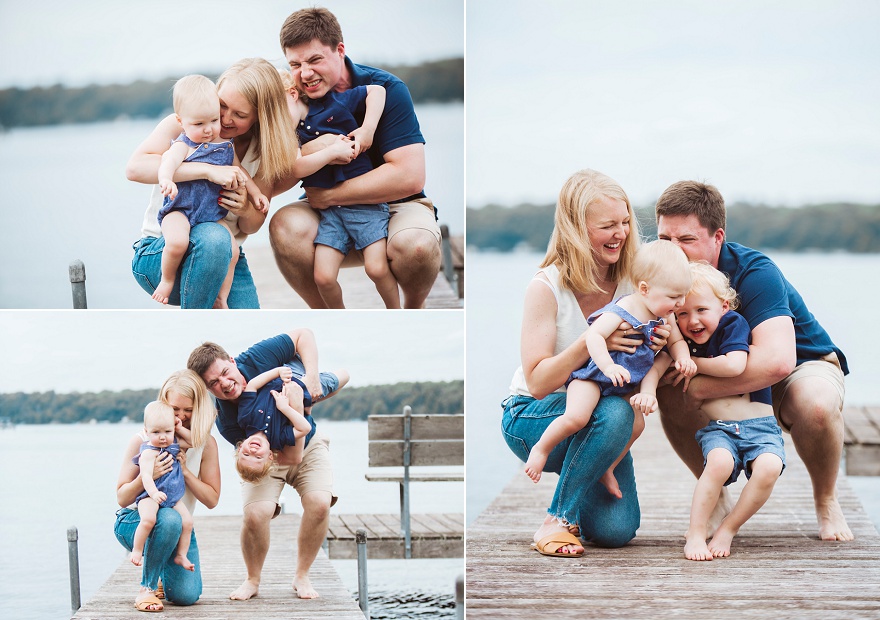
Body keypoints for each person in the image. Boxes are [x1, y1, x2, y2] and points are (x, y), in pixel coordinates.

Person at [654, 180, 851, 541]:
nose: (673, 251)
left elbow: (777, 363)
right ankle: (715, 496)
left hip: (800, 366)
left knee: (817, 406)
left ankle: (826, 499)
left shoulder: (754, 271)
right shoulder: (658, 275)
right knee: (669, 388)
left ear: (718, 238)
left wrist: (695, 385)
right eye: (665, 239)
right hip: (727, 366)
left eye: (686, 240)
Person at [501, 169, 671, 558]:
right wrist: (593, 343)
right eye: (608, 225)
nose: (622, 233)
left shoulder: (639, 282)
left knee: (616, 531)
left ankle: (592, 460)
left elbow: (657, 352)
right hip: (534, 414)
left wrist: (661, 344)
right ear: (577, 228)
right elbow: (540, 381)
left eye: (626, 222)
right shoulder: (547, 288)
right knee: (613, 411)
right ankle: (556, 520)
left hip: (605, 415)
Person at [270, 7, 442, 309]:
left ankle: (413, 309)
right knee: (284, 226)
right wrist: (315, 151)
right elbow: (277, 181)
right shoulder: (292, 100)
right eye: (295, 64)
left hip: (396, 204)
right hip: (328, 212)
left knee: (417, 246)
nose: (305, 74)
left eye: (314, 60)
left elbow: (410, 176)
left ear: (340, 50)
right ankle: (325, 313)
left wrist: (331, 195)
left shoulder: (386, 88)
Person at [524, 240, 696, 502]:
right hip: (592, 376)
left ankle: (608, 466)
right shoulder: (625, 308)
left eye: (683, 295)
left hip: (621, 386)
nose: (680, 302)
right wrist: (608, 365)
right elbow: (593, 337)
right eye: (674, 297)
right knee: (577, 417)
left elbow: (677, 343)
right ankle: (541, 448)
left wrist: (684, 359)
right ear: (645, 289)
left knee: (636, 424)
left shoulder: (666, 314)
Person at [187, 329, 350, 600]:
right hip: (266, 456)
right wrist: (298, 408)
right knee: (255, 514)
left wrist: (310, 381)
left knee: (319, 503)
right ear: (206, 388)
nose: (225, 384)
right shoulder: (226, 420)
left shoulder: (256, 358)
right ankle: (252, 580)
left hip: (305, 441)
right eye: (214, 383)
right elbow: (282, 457)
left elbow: (303, 336)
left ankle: (302, 576)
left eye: (226, 372)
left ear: (232, 359)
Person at [126, 58, 299, 308]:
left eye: (239, 114)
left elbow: (252, 226)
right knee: (214, 236)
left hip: (226, 256)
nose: (225, 119)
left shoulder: (265, 151)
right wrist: (207, 171)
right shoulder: (187, 124)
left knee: (243, 306)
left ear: (259, 117)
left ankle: (217, 301)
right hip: (162, 250)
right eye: (223, 106)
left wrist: (245, 207)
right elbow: (134, 169)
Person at [675, 261, 786, 560]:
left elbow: (735, 365)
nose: (692, 320)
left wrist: (693, 366)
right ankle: (696, 534)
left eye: (701, 310)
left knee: (769, 467)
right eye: (682, 313)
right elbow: (665, 363)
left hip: (761, 426)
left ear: (723, 306)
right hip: (721, 428)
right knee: (719, 463)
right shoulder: (683, 342)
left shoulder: (732, 324)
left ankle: (728, 528)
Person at [153, 74, 270, 308]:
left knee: (233, 251)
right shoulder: (183, 145)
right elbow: (167, 164)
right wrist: (166, 179)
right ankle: (167, 280)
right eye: (198, 124)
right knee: (176, 242)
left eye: (213, 121)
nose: (208, 130)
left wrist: (256, 193)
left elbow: (239, 170)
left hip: (210, 215)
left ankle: (221, 297)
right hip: (181, 211)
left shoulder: (224, 145)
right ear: (181, 121)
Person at [288, 78, 401, 309]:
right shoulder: (288, 135)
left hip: (364, 206)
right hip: (330, 214)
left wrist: (367, 129)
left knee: (376, 268)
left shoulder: (334, 103)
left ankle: (396, 312)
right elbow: (296, 167)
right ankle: (339, 314)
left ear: (292, 94)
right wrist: (331, 152)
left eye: (276, 114)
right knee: (323, 277)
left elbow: (377, 91)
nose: (275, 124)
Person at [115, 370, 221, 612]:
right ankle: (147, 589)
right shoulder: (143, 440)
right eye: (175, 409)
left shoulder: (205, 444)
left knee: (186, 596)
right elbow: (122, 498)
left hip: (177, 525)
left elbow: (212, 499)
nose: (181, 417)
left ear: (199, 409)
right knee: (169, 518)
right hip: (137, 520)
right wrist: (148, 477)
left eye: (188, 410)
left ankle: (165, 566)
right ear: (163, 404)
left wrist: (183, 471)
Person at [128, 401, 194, 572]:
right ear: (146, 431)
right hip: (150, 495)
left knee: (187, 522)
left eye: (168, 431)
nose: (163, 437)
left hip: (171, 496)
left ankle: (181, 555)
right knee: (148, 520)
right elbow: (147, 477)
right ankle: (137, 549)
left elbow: (194, 442)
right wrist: (154, 493)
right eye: (156, 432)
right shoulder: (148, 453)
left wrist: (178, 429)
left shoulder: (173, 445)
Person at [235, 366, 315, 482]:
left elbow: (252, 386)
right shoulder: (279, 439)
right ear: (270, 456)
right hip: (302, 386)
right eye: (258, 457)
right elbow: (304, 428)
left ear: (240, 448)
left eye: (246, 455)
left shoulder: (245, 419)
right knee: (338, 379)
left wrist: (277, 372)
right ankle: (308, 406)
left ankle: (308, 407)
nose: (252, 452)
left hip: (281, 374)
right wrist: (284, 408)